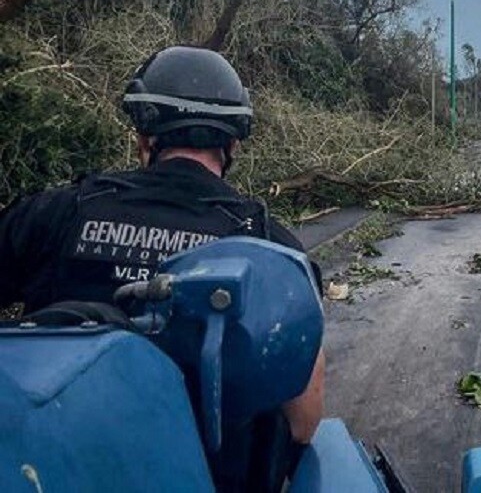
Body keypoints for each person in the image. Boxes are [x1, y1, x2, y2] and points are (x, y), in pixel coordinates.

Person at [0, 45, 324, 491]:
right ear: (233, 143)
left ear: (145, 136)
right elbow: (304, 421)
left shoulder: (53, 215)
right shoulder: (271, 248)